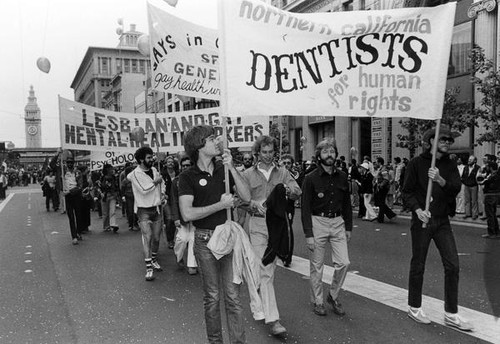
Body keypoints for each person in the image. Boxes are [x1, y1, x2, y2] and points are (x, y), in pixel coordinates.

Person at [178, 125, 250, 344]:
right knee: (212, 297)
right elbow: (187, 213)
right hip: (204, 240)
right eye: (211, 138)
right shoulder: (187, 177)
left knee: (233, 298)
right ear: (200, 146)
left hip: (227, 238)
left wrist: (233, 169)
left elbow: (245, 196)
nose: (217, 141)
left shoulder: (224, 169)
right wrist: (220, 205)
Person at [402, 125, 473, 331]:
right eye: (443, 139)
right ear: (431, 141)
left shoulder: (450, 165)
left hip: (442, 221)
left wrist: (440, 179)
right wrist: (417, 210)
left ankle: (451, 313)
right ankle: (414, 307)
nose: (447, 143)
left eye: (449, 141)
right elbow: (407, 192)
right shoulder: (416, 163)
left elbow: (455, 188)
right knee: (419, 265)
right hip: (422, 221)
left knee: (453, 265)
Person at [242, 135, 301, 336]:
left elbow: (297, 191)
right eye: (264, 152)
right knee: (264, 270)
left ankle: (267, 307)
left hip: (277, 226)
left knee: (267, 271)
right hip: (257, 225)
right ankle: (274, 320)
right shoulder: (247, 174)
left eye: (271, 152)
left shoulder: (283, 172)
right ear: (257, 153)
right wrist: (252, 204)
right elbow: (238, 199)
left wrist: (286, 191)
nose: (267, 156)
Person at [301, 139, 352, 317]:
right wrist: (308, 234)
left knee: (344, 263)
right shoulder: (310, 178)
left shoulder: (343, 176)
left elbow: (347, 204)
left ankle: (333, 295)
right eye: (325, 151)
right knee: (317, 266)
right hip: (318, 223)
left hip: (338, 223)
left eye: (332, 151)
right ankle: (318, 301)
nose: (329, 154)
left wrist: (349, 227)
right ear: (319, 155)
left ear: (336, 154)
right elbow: (305, 208)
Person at [128, 147, 166, 281]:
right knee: (148, 237)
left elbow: (162, 185)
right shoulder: (134, 174)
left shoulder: (155, 170)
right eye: (149, 158)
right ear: (141, 160)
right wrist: (156, 182)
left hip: (155, 208)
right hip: (143, 210)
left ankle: (154, 259)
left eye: (152, 157)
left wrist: (163, 194)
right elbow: (144, 189)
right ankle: (149, 268)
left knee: (156, 238)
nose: (152, 159)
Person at [171, 156, 198, 275]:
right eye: (184, 166)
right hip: (182, 217)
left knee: (193, 239)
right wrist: (176, 217)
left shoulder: (198, 179)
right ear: (181, 167)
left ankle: (192, 266)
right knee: (182, 239)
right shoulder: (176, 181)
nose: (186, 167)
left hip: (196, 216)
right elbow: (174, 201)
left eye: (188, 165)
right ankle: (179, 256)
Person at [280, 153, 299, 268]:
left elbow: (298, 193)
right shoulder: (275, 174)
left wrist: (290, 192)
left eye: (288, 163)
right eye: (284, 163)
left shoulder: (295, 176)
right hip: (276, 206)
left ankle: (287, 256)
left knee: (287, 229)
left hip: (288, 206)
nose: (286, 165)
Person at [62, 157, 85, 245]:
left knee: (78, 215)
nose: (70, 164)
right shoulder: (63, 172)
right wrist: (57, 154)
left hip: (76, 196)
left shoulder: (78, 173)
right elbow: (52, 165)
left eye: (71, 163)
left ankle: (79, 232)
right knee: (71, 217)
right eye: (68, 163)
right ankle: (74, 236)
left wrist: (70, 191)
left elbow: (80, 186)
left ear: (74, 163)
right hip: (68, 197)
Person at [478, 161, 500, 238]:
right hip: (496, 195)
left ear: (491, 168)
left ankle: (491, 232)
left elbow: (484, 182)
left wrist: (483, 181)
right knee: (493, 214)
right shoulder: (496, 175)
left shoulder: (493, 176)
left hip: (490, 195)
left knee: (490, 214)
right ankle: (496, 231)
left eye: (487, 167)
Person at [161, 155, 179, 249]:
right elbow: (160, 187)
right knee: (169, 219)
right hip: (167, 200)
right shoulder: (162, 174)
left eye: (172, 161)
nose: (170, 163)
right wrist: (163, 194)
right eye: (168, 162)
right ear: (165, 164)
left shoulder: (178, 173)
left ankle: (177, 238)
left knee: (176, 219)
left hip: (177, 199)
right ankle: (170, 240)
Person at [99, 164, 119, 233]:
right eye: (111, 169)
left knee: (112, 210)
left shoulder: (114, 177)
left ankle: (113, 224)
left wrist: (116, 193)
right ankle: (106, 226)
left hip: (112, 196)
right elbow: (99, 186)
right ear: (107, 169)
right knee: (105, 212)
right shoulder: (102, 177)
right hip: (104, 196)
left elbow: (116, 186)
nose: (112, 170)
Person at [461, 155, 480, 220]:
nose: (469, 160)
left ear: (475, 161)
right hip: (466, 185)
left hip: (474, 186)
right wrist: (464, 182)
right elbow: (463, 176)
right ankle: (467, 213)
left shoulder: (478, 168)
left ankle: (474, 214)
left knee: (474, 201)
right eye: (469, 159)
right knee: (467, 200)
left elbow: (478, 177)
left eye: (471, 159)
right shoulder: (465, 167)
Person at [121, 165, 139, 231]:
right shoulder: (125, 181)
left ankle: (135, 223)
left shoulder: (135, 179)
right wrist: (123, 196)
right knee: (130, 211)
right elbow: (122, 189)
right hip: (128, 197)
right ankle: (131, 224)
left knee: (136, 211)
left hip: (136, 196)